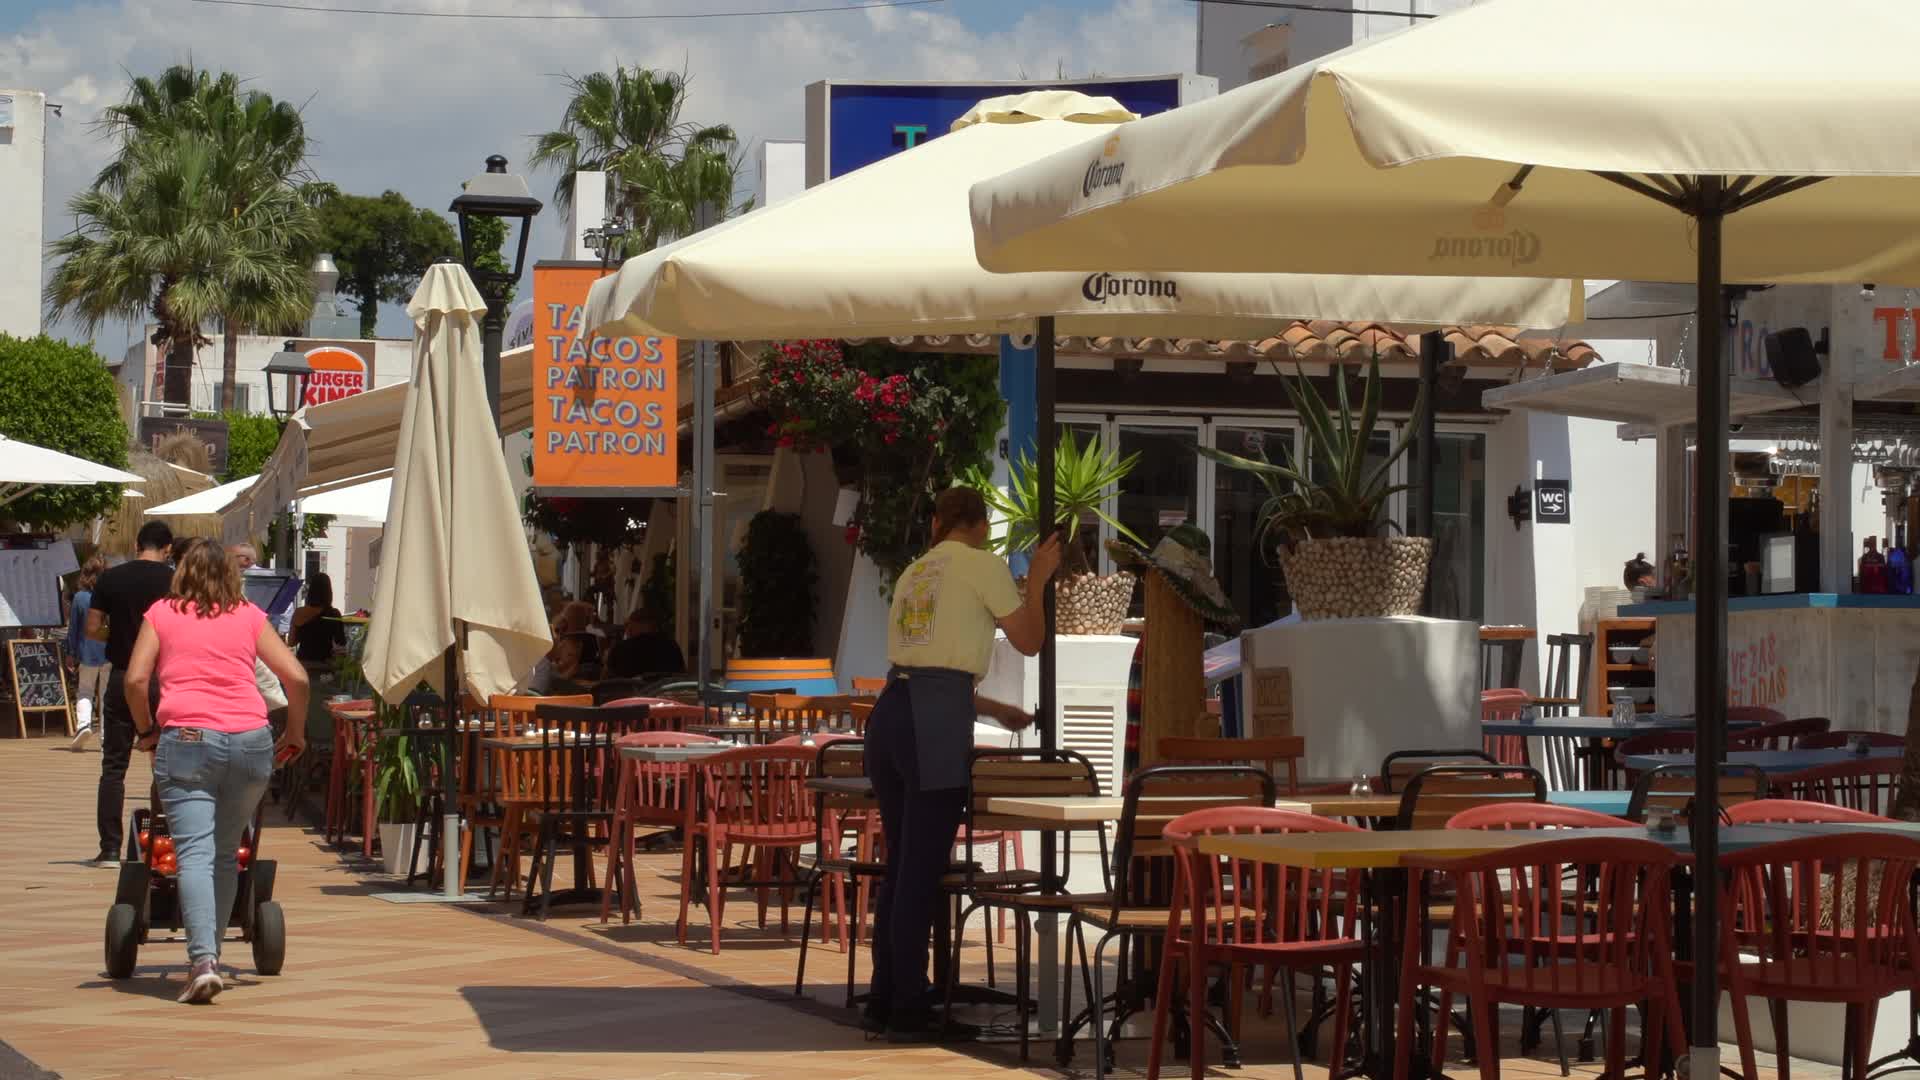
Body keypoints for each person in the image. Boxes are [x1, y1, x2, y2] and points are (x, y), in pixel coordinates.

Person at [864, 487, 1060, 1043]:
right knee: (921, 870)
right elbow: (1028, 641)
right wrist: (1039, 578)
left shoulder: (915, 572)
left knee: (902, 864)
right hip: (932, 724)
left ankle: (885, 997)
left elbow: (928, 667)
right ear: (982, 524)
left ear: (938, 522)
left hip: (891, 711)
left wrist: (997, 709)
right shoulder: (983, 564)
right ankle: (909, 1004)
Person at [125, 539, 309, 1003]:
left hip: (186, 740)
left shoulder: (163, 613)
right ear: (232, 576)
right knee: (227, 852)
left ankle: (203, 961)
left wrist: (147, 733)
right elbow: (298, 678)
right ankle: (211, 955)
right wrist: (296, 733)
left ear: (181, 571)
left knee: (193, 854)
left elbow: (134, 680)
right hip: (251, 741)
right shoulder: (248, 615)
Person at [86, 521, 176, 863]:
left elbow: (92, 630)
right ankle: (162, 844)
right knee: (165, 764)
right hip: (162, 679)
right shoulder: (174, 581)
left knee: (113, 767)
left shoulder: (111, 578)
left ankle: (109, 847)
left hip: (122, 677)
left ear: (138, 544)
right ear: (167, 548)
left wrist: (123, 636)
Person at [65, 555, 111, 750]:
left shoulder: (80, 597)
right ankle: (106, 736)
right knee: (106, 694)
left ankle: (84, 724)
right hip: (109, 651)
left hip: (87, 651)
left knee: (85, 691)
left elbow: (74, 628)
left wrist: (70, 652)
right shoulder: (111, 595)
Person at [289, 572, 346, 671]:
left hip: (302, 665)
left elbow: (291, 642)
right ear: (329, 592)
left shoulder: (299, 612)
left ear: (310, 591)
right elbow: (341, 642)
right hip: (324, 665)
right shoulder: (334, 614)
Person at [605, 610, 686, 679]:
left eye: (628, 626)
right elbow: (681, 676)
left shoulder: (620, 649)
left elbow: (607, 680)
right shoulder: (671, 646)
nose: (627, 630)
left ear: (633, 625)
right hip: (663, 695)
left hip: (628, 696)